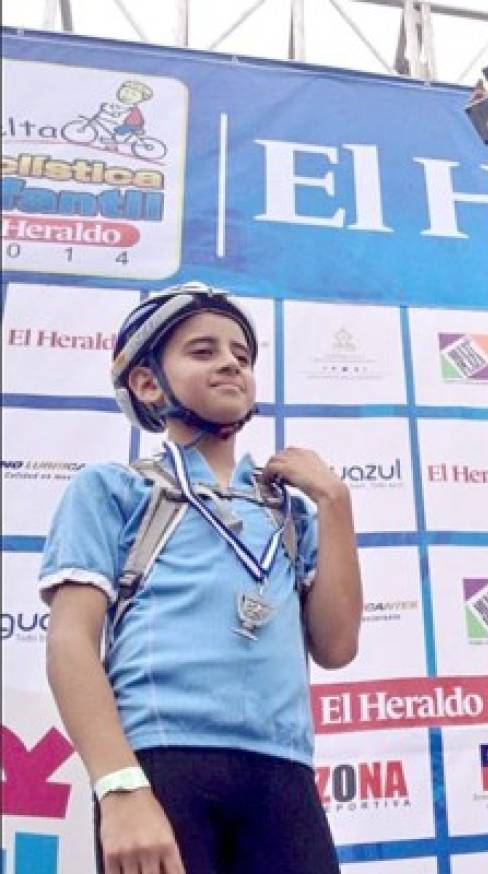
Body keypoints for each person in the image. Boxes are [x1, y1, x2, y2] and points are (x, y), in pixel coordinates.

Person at [41, 281, 363, 874]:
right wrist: (119, 788)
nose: (229, 364)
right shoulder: (115, 489)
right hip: (161, 765)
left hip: (283, 775)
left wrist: (334, 502)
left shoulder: (291, 511)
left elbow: (338, 647)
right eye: (202, 350)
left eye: (241, 355)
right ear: (146, 383)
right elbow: (70, 643)